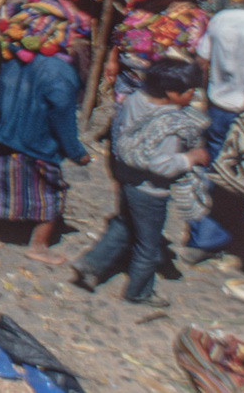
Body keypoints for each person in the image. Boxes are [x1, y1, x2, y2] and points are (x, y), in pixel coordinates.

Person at [0, 0, 92, 263]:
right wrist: (76, 151)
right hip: (38, 145)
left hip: (3, 136)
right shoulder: (59, 72)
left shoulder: (11, 61)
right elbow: (63, 117)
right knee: (51, 196)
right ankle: (38, 246)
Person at [72, 58, 210, 308]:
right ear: (171, 93)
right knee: (147, 244)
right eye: (190, 91)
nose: (193, 95)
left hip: (126, 178)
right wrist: (191, 157)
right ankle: (139, 291)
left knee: (125, 223)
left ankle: (91, 264)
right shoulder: (169, 125)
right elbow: (162, 165)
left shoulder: (135, 100)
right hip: (151, 190)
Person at [186, 0, 244, 261]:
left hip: (219, 104)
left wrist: (206, 92)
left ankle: (209, 235)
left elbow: (202, 61)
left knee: (218, 169)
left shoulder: (222, 19)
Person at [107, 0, 209, 102]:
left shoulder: (195, 20)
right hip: (126, 87)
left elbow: (196, 66)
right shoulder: (145, 7)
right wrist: (112, 59)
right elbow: (120, 34)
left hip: (163, 97)